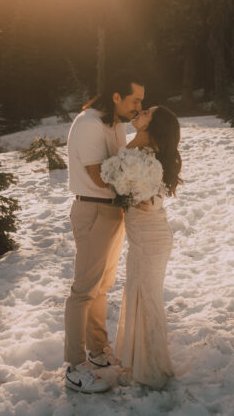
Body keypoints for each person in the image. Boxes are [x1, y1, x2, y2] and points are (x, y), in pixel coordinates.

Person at [63, 75, 144, 394]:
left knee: (102, 287)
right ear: (115, 96)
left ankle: (98, 353)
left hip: (113, 209)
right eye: (134, 100)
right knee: (84, 289)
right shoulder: (88, 123)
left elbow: (120, 166)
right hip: (93, 208)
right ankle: (74, 365)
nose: (138, 107)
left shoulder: (115, 124)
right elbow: (100, 176)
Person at [110, 106, 181, 389]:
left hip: (152, 238)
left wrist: (130, 192)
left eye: (147, 112)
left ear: (154, 125)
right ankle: (136, 362)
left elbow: (146, 202)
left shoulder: (147, 159)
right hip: (143, 236)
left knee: (148, 300)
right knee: (137, 294)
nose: (139, 112)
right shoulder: (140, 152)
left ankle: (153, 369)